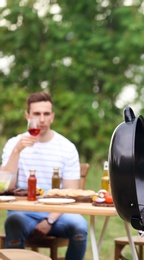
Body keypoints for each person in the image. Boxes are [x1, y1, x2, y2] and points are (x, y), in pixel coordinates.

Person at [0, 92, 88, 260]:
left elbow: (71, 192)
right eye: (36, 114)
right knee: (13, 222)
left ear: (52, 117)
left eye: (46, 114)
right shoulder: (14, 144)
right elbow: (5, 187)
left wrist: (50, 220)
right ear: (27, 116)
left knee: (79, 226)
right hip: (23, 212)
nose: (41, 119)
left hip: (59, 213)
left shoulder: (66, 147)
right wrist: (16, 152)